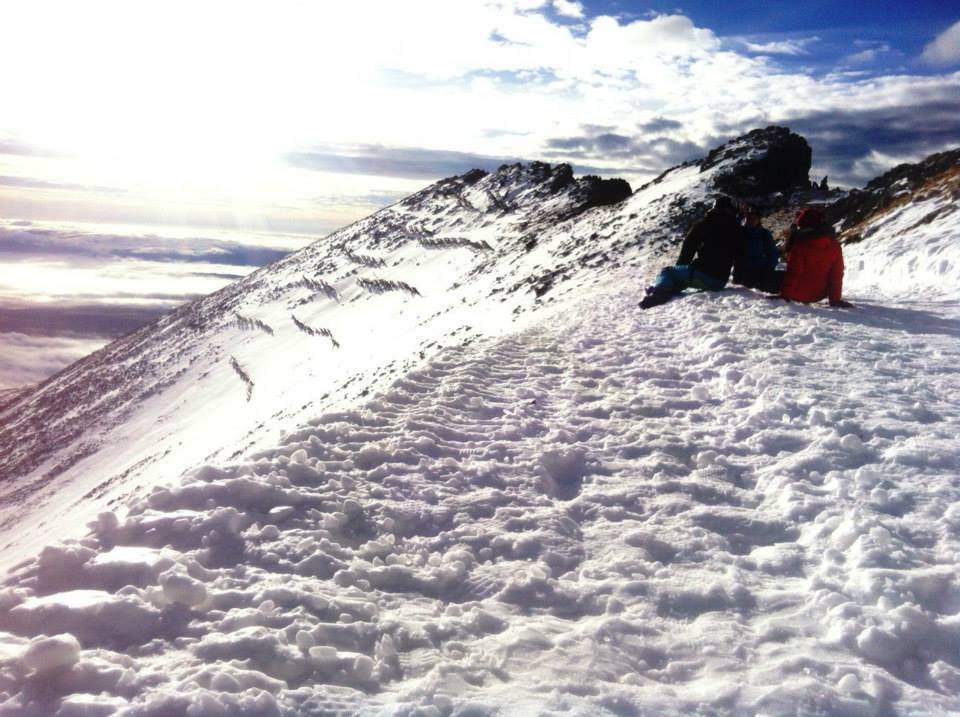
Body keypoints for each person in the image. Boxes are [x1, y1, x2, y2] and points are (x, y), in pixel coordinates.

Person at [640, 195, 745, 309]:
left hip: (704, 275)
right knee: (683, 278)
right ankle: (661, 288)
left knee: (667, 272)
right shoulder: (737, 229)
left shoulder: (703, 225)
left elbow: (688, 250)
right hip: (720, 281)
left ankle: (659, 293)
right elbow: (740, 256)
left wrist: (680, 268)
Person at [779, 207, 852, 307]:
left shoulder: (800, 245)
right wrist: (835, 300)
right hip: (820, 295)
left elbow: (794, 272)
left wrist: (784, 295)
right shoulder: (835, 245)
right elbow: (836, 275)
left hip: (797, 294)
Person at [733, 206, 782, 294]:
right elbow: (731, 227)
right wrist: (739, 217)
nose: (751, 220)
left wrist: (769, 269)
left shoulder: (764, 234)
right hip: (742, 270)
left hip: (759, 270)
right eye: (749, 218)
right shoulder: (740, 231)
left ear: (759, 220)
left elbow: (773, 253)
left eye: (754, 218)